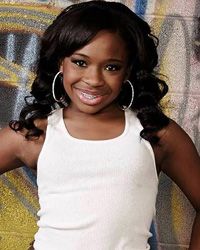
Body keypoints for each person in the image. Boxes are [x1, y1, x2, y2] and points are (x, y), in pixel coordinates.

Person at [0, 1, 200, 249]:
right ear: (61, 62)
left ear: (128, 71)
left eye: (111, 67)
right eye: (80, 63)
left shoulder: (155, 134)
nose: (94, 80)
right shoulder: (38, 134)